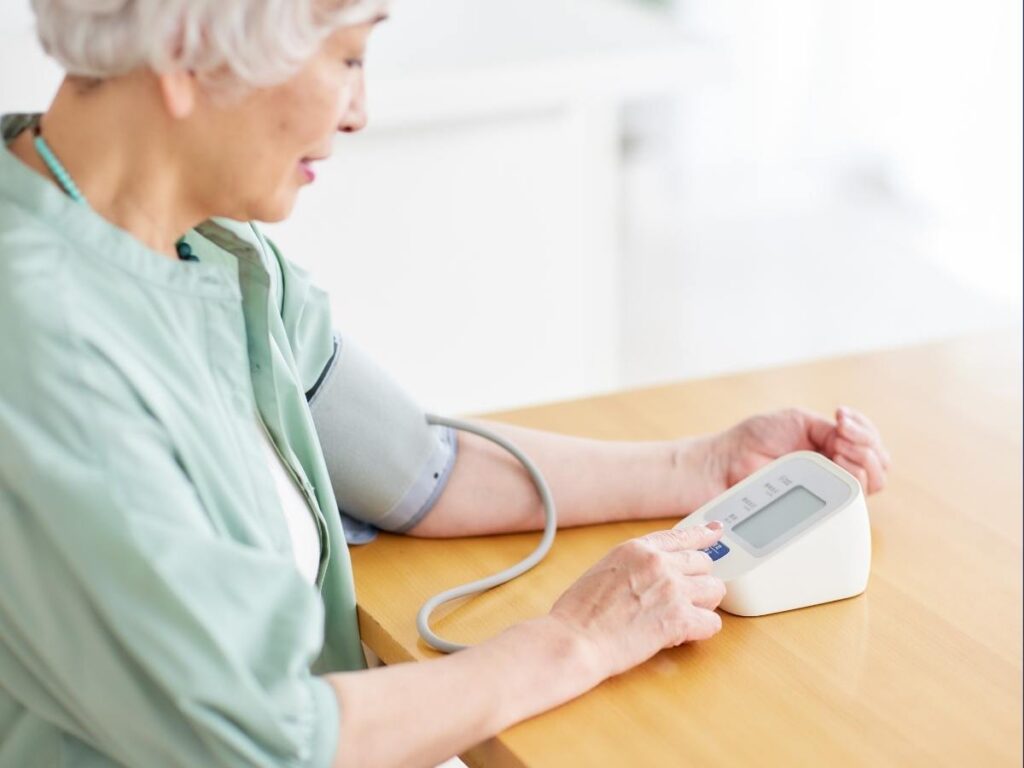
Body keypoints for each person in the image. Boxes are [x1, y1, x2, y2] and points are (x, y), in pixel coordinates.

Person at [0, 2, 891, 767]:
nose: (359, 111)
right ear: (188, 53)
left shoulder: (208, 248)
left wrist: (702, 466)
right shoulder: (46, 350)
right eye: (346, 56)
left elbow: (417, 467)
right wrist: (572, 640)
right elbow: (271, 745)